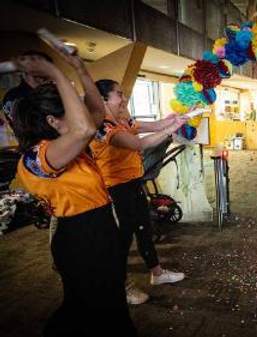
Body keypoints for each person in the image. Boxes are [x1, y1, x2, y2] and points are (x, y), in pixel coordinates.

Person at [12, 56, 136, 336]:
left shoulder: (65, 145)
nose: (82, 115)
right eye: (73, 110)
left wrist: (80, 70)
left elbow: (94, 113)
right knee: (100, 311)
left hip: (100, 230)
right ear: (53, 120)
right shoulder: (37, 156)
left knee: (96, 307)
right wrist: (55, 73)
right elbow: (86, 127)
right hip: (81, 239)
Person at [91, 79, 187, 305]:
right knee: (121, 240)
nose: (124, 98)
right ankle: (121, 287)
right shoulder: (102, 127)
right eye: (119, 94)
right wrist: (172, 129)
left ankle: (157, 274)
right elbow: (138, 144)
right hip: (116, 189)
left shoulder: (122, 119)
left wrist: (175, 118)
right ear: (104, 99)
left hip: (134, 182)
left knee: (145, 229)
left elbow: (152, 127)